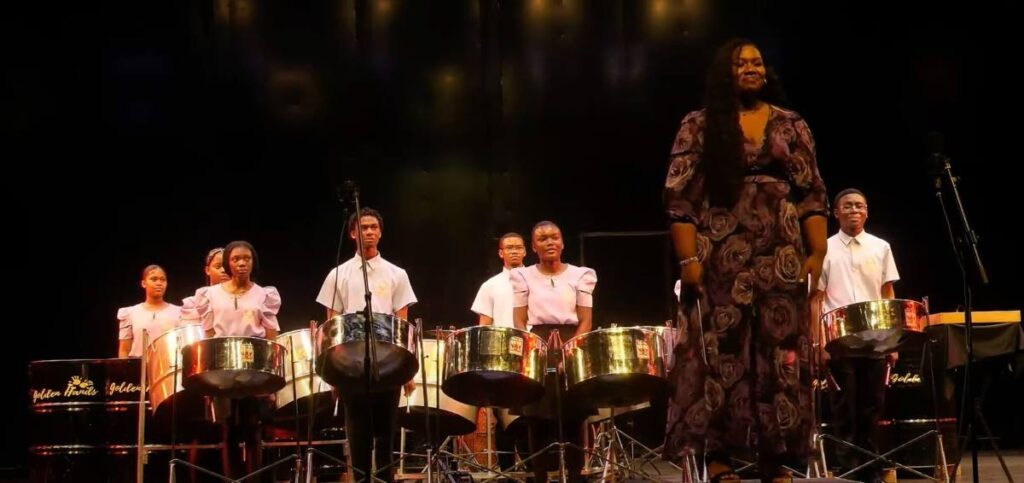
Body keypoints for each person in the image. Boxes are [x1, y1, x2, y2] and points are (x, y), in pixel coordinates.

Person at [662, 38, 829, 483]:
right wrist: (688, 258)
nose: (751, 69)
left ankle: (776, 458)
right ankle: (719, 457)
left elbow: (811, 192)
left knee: (779, 355)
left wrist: (817, 251)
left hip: (782, 254)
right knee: (723, 352)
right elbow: (680, 198)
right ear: (725, 73)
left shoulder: (791, 125)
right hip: (722, 253)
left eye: (757, 62)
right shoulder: (698, 125)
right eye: (741, 64)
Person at [315, 207, 417, 483]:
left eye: (374, 227)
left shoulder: (397, 273)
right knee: (358, 431)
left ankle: (386, 479)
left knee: (386, 432)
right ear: (352, 233)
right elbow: (332, 323)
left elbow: (402, 321)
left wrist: (405, 369)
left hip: (388, 362)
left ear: (380, 233)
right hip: (350, 364)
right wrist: (334, 371)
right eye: (363, 227)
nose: (369, 231)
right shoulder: (338, 274)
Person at [812, 188, 900, 483]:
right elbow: (816, 299)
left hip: (875, 340)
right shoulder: (824, 250)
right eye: (847, 206)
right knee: (844, 409)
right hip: (840, 341)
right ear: (836, 213)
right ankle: (848, 470)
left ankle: (871, 469)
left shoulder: (880, 247)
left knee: (871, 408)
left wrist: (893, 339)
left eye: (860, 206)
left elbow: (887, 293)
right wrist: (819, 342)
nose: (854, 211)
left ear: (867, 211)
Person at [511, 221, 597, 483]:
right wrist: (535, 346)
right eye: (543, 239)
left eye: (554, 237)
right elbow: (519, 319)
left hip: (572, 340)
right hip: (538, 339)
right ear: (534, 246)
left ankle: (574, 475)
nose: (550, 242)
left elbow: (586, 320)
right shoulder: (523, 276)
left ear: (562, 242)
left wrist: (571, 349)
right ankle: (540, 476)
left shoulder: (581, 275)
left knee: (573, 412)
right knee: (536, 413)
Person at [192, 240, 282, 478]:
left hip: (253, 367)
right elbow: (209, 333)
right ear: (228, 264)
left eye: (246, 258)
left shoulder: (264, 294)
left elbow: (270, 334)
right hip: (223, 368)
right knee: (228, 431)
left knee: (254, 430)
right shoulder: (209, 295)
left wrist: (271, 377)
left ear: (253, 262)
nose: (241, 263)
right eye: (235, 259)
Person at [469, 232, 528, 469]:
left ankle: (535, 471)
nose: (514, 251)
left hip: (531, 356)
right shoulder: (490, 285)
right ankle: (507, 472)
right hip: (500, 362)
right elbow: (484, 325)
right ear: (501, 253)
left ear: (525, 251)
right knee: (504, 421)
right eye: (509, 248)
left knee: (529, 418)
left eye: (518, 247)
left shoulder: (535, 280)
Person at [117, 265, 182, 358]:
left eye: (163, 280)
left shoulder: (179, 312)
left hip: (169, 369)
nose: (159, 283)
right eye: (154, 279)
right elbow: (124, 350)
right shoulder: (130, 313)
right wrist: (123, 371)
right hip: (138, 369)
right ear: (143, 283)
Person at [180, 247, 230, 323]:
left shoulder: (240, 300)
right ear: (207, 270)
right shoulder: (192, 304)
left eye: (227, 267)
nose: (223, 270)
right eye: (218, 266)